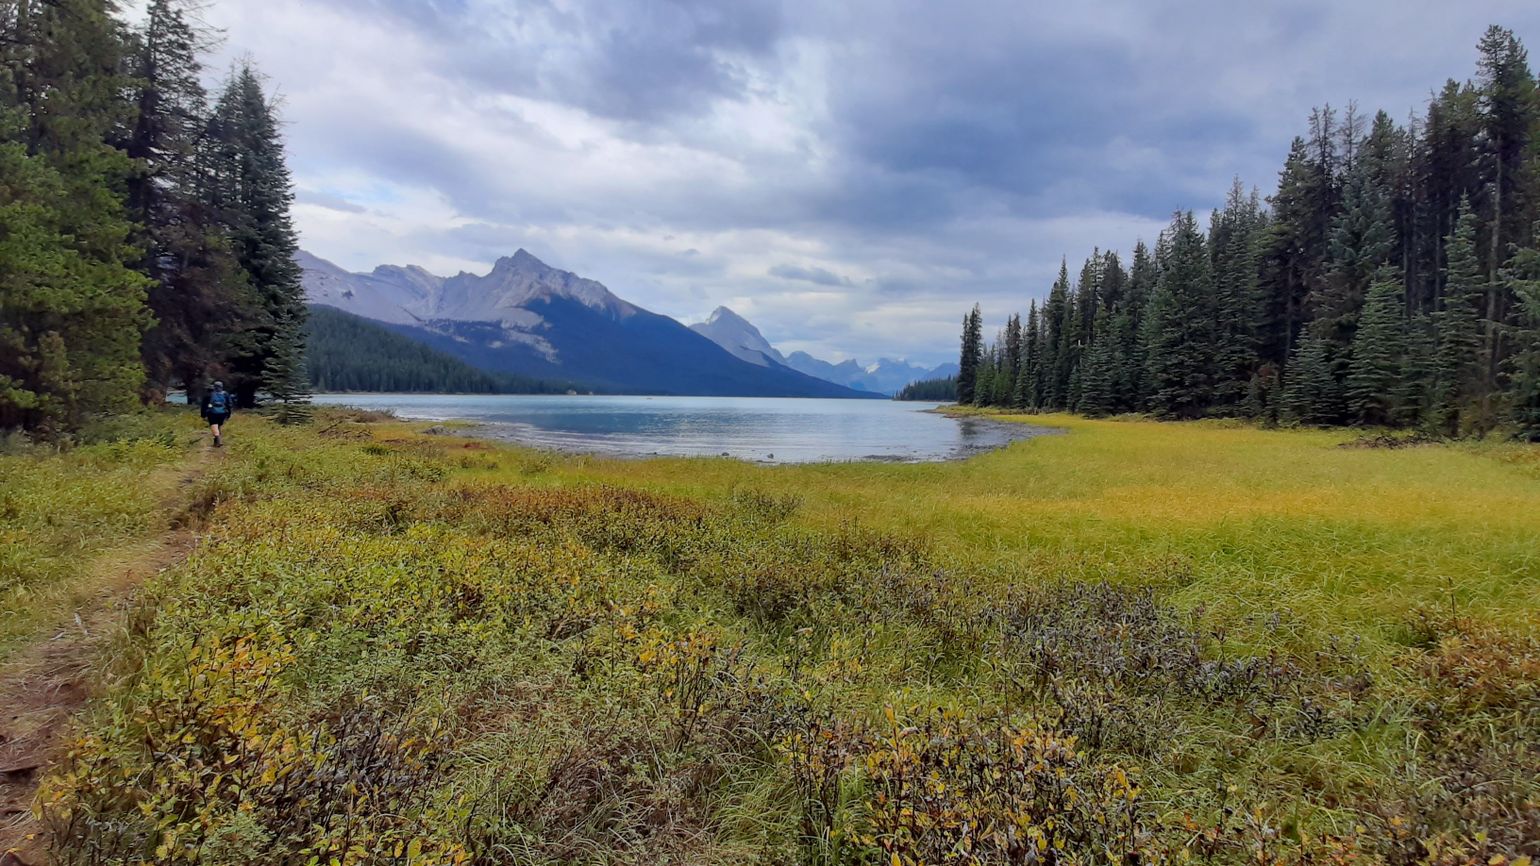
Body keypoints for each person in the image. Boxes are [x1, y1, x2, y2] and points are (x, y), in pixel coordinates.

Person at [201, 381, 233, 447]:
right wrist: (229, 414)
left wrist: (203, 415)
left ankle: (218, 439)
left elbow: (204, 405)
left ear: (214, 387)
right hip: (223, 413)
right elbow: (229, 404)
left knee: (214, 426)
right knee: (218, 426)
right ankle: (216, 441)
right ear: (222, 386)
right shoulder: (225, 394)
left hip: (212, 412)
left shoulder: (209, 394)